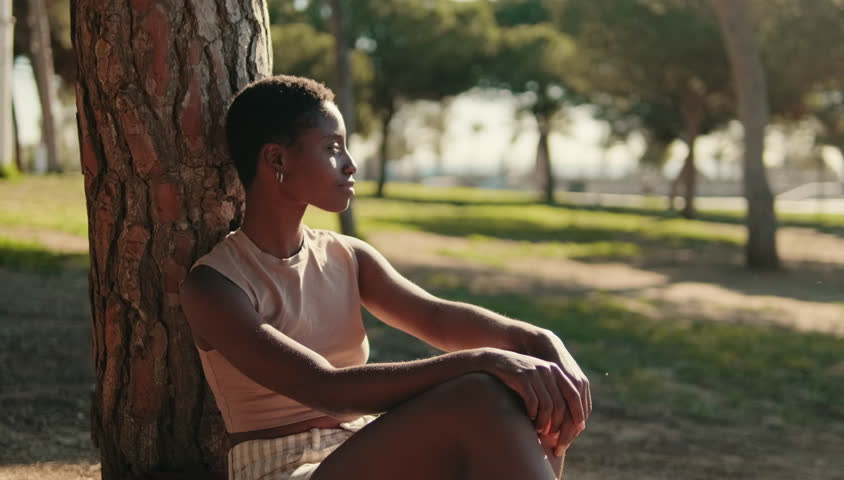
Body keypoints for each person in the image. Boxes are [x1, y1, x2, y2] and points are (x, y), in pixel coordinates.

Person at [180, 75, 591, 480]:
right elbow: (328, 390)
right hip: (287, 470)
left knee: (517, 404)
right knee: (482, 393)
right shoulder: (215, 285)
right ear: (276, 160)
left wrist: (538, 342)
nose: (350, 163)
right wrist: (485, 361)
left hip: (365, 455)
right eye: (332, 147)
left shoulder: (347, 256)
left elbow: (436, 318)